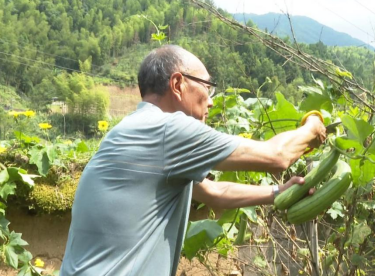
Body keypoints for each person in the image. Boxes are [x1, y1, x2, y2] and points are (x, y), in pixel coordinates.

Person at [60, 45, 326, 276]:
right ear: (178, 85)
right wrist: (312, 126)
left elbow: (213, 192)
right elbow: (276, 156)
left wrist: (278, 192)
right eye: (207, 87)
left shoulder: (133, 130)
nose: (210, 102)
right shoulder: (167, 130)